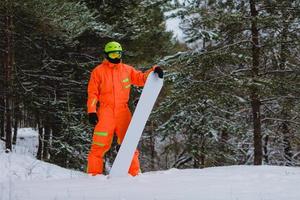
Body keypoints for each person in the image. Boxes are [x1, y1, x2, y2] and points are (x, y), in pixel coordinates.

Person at [86, 41, 163, 176]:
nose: (117, 57)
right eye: (114, 54)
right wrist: (92, 111)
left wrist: (153, 71)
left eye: (119, 54)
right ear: (107, 55)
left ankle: (134, 174)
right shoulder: (98, 72)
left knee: (130, 143)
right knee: (98, 146)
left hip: (123, 112)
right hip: (105, 112)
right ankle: (93, 175)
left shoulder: (127, 70)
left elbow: (140, 78)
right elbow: (93, 93)